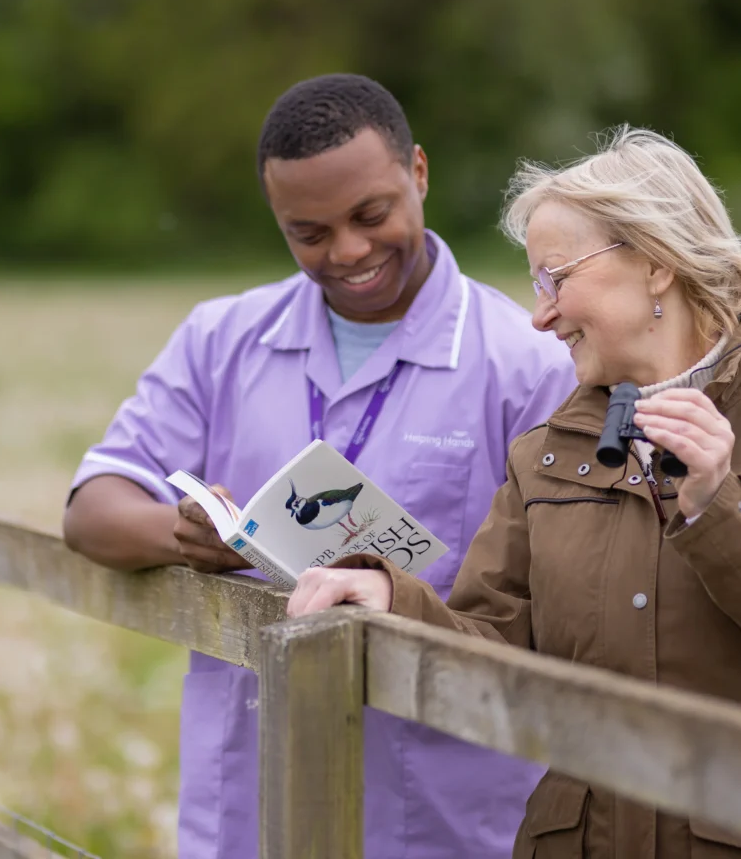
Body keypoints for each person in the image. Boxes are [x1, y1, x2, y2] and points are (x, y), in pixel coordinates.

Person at [288, 126, 741, 859]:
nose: (541, 315)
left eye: (556, 278)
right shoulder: (545, 451)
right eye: (536, 285)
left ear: (654, 264)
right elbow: (496, 650)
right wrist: (394, 601)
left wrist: (723, 508)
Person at [63, 74, 579, 859]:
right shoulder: (220, 338)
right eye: (308, 232)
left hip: (441, 817)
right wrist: (179, 535)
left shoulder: (529, 365)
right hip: (246, 809)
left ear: (419, 173)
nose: (348, 251)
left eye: (371, 215)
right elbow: (90, 508)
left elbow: (568, 599)